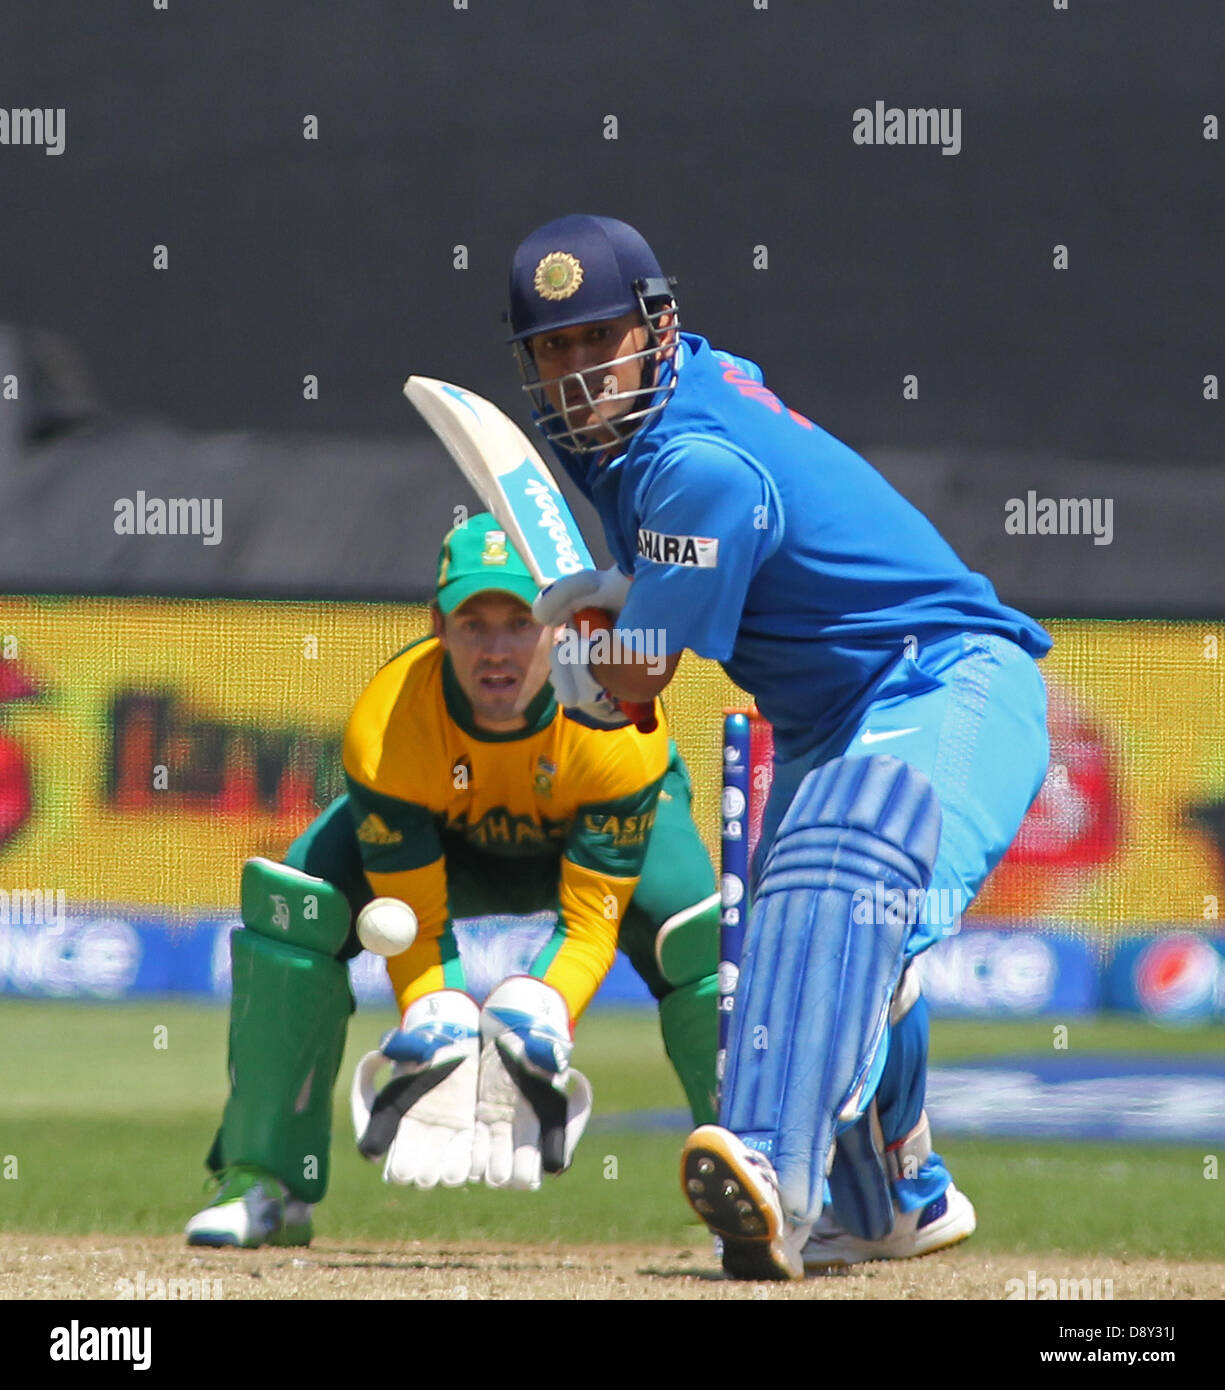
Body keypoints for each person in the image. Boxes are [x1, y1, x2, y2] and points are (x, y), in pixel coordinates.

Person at [514, 214, 1052, 1280]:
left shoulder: (690, 464)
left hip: (944, 680)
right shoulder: (666, 420)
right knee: (788, 962)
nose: (578, 373)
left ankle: (765, 1163)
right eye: (555, 347)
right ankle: (891, 1198)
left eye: (600, 339)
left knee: (845, 876)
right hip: (824, 718)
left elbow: (635, 681)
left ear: (659, 328)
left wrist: (585, 648)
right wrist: (617, 608)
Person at [185, 513, 719, 1247]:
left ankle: (746, 1176)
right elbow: (409, 914)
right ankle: (263, 1181)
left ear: (562, 628)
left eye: (520, 622)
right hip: (448, 852)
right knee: (294, 909)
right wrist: (432, 1010)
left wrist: (541, 1010)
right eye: (474, 624)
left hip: (583, 847)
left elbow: (591, 921)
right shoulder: (389, 724)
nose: (496, 650)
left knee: (696, 937)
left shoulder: (617, 725)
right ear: (436, 625)